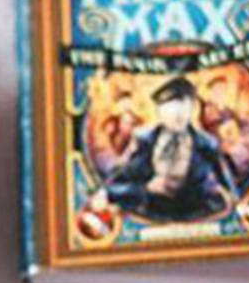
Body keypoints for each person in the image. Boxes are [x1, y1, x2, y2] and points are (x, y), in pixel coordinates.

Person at [99, 76, 239, 222]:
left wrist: (236, 203)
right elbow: (115, 184)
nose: (179, 116)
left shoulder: (207, 144)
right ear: (160, 112)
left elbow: (229, 186)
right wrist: (145, 189)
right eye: (172, 110)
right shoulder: (143, 141)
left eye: (185, 108)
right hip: (152, 212)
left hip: (199, 213)